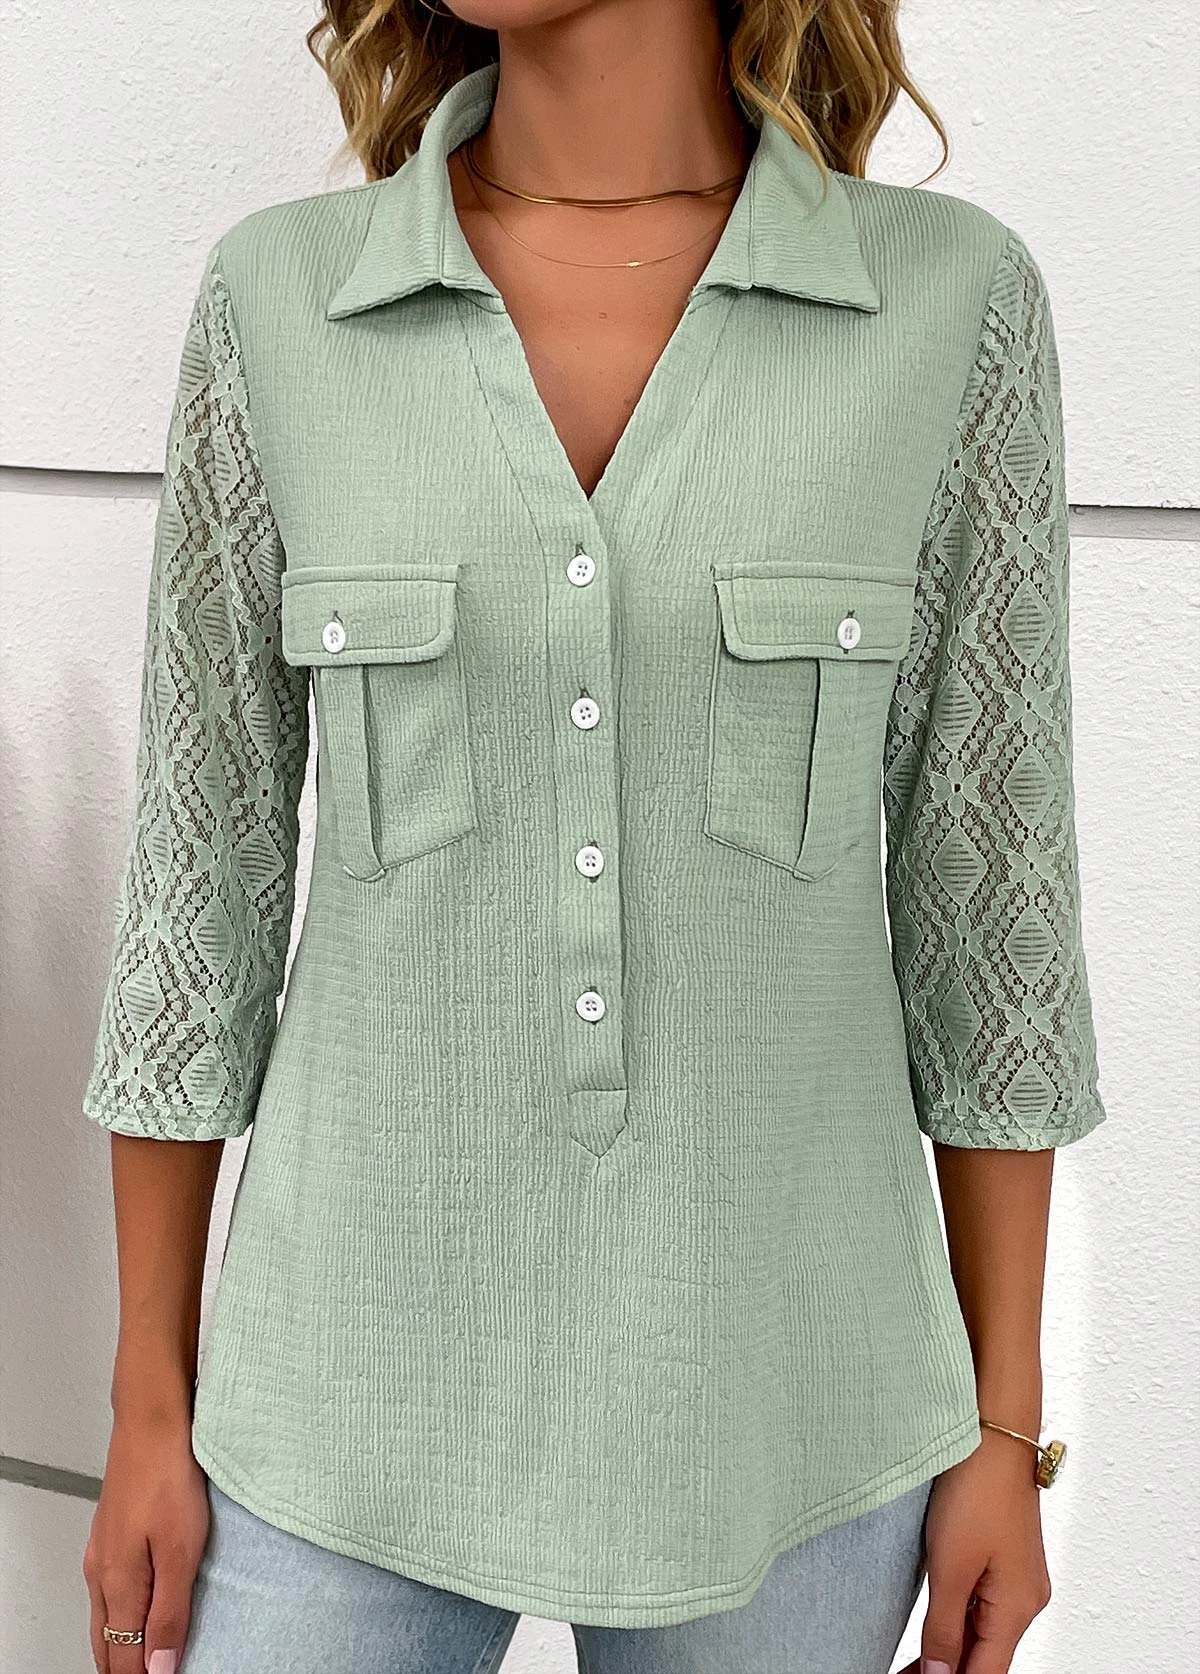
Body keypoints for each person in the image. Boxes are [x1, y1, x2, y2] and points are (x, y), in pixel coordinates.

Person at [79, 4, 1108, 1673]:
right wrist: (145, 1401)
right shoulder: (278, 303)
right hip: (337, 1399)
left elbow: (994, 922)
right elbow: (194, 908)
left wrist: (1005, 1428)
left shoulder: (949, 306)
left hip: (792, 1402)